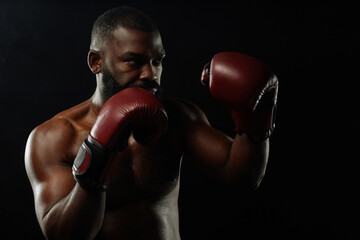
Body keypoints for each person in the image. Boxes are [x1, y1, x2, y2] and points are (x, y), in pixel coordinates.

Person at [24, 6, 278, 240]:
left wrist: (256, 117)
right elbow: (63, 235)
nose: (150, 74)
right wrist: (98, 154)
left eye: (157, 61)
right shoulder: (54, 137)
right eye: (133, 61)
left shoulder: (178, 118)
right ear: (96, 62)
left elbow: (241, 176)